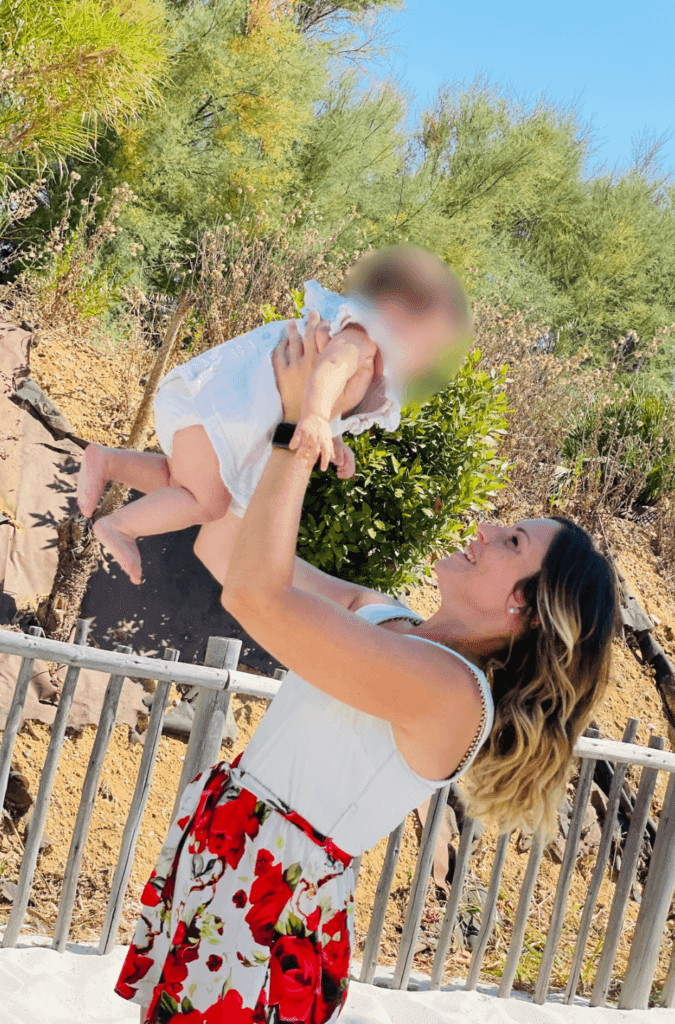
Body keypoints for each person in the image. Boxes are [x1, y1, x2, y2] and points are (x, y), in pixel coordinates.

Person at [114, 316, 617, 1024]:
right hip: (231, 864)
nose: (483, 529)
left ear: (526, 609)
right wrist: (277, 427)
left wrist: (302, 425)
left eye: (510, 542)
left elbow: (255, 595)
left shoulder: (453, 694)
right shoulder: (381, 614)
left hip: (268, 905)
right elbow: (224, 546)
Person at [76, 244, 473, 585]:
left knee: (180, 482)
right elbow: (329, 370)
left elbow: (328, 393)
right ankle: (120, 526)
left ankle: (108, 461)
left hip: (213, 406)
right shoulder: (362, 338)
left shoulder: (365, 355)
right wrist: (314, 417)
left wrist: (332, 436)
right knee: (208, 504)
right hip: (220, 406)